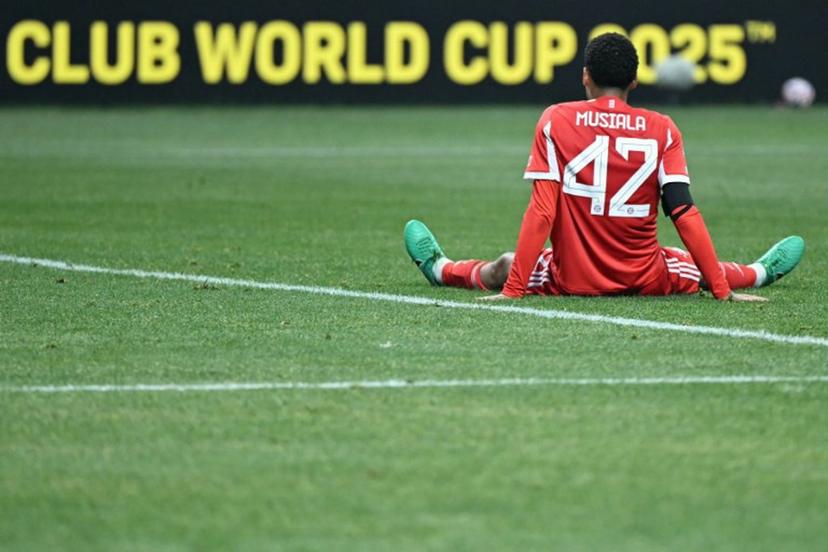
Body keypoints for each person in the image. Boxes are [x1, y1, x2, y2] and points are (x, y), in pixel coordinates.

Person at [404, 32, 804, 302]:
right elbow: (683, 211)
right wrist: (721, 292)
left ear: (585, 76)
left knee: (506, 264)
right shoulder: (663, 129)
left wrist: (512, 291)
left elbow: (542, 211)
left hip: (572, 277)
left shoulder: (555, 120)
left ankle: (442, 269)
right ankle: (757, 273)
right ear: (634, 82)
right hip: (645, 277)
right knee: (692, 263)